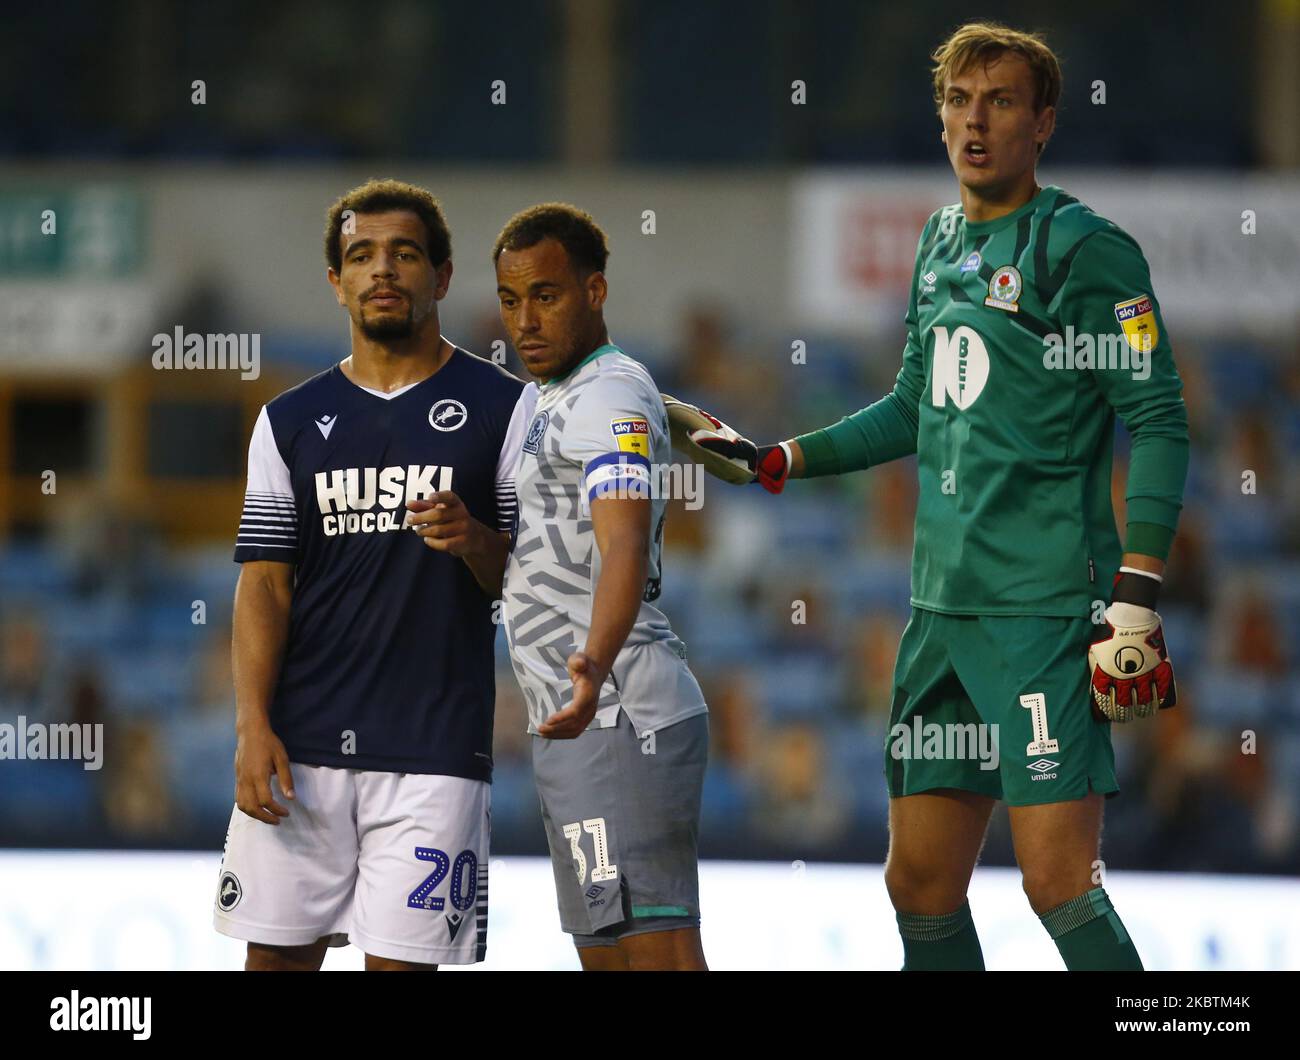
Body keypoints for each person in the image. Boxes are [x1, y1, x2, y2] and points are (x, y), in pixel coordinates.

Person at [682, 22, 1188, 970]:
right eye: (958, 101)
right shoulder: (939, 240)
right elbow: (914, 407)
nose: (974, 121)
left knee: (1056, 882)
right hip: (940, 614)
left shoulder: (1086, 250)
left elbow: (1159, 419)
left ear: (1042, 124)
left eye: (999, 102)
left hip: (1041, 611)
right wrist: (779, 458)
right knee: (918, 883)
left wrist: (1137, 590)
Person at [214, 179, 526, 970]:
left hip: (436, 755)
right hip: (301, 748)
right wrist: (252, 725)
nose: (383, 270)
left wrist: (475, 540)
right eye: (362, 255)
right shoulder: (286, 421)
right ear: (336, 281)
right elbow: (264, 584)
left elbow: (530, 582)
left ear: (443, 275)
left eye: (405, 254)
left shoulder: (506, 408)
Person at [495, 203, 710, 971]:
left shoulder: (608, 394)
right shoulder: (554, 397)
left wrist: (593, 662)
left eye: (546, 296)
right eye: (511, 299)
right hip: (576, 719)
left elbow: (622, 540)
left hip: (621, 707)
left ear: (595, 291)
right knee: (611, 957)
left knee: (661, 953)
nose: (525, 319)